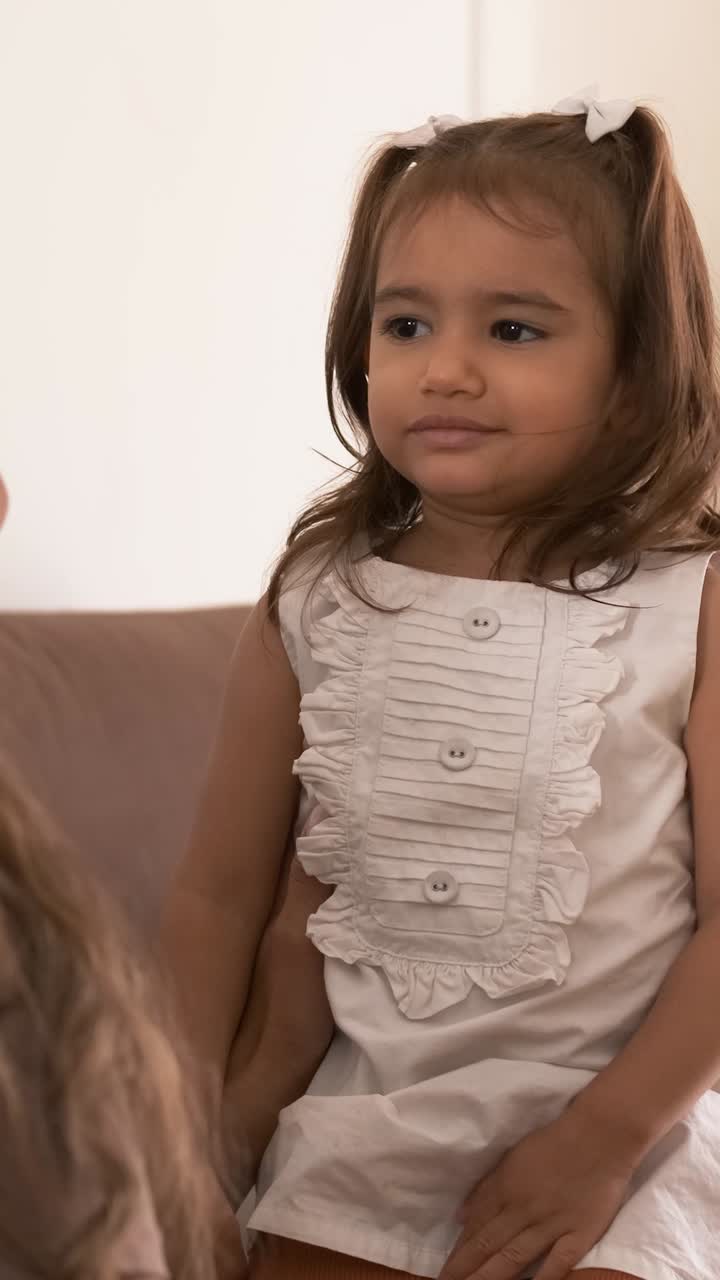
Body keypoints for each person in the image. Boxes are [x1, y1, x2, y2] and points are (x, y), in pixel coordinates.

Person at [161, 87, 720, 1280]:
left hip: (631, 1128)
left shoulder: (696, 600)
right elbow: (218, 893)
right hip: (370, 1124)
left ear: (635, 367)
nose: (445, 370)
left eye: (514, 331)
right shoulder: (318, 590)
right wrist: (180, 1132)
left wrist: (603, 1140)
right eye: (405, 325)